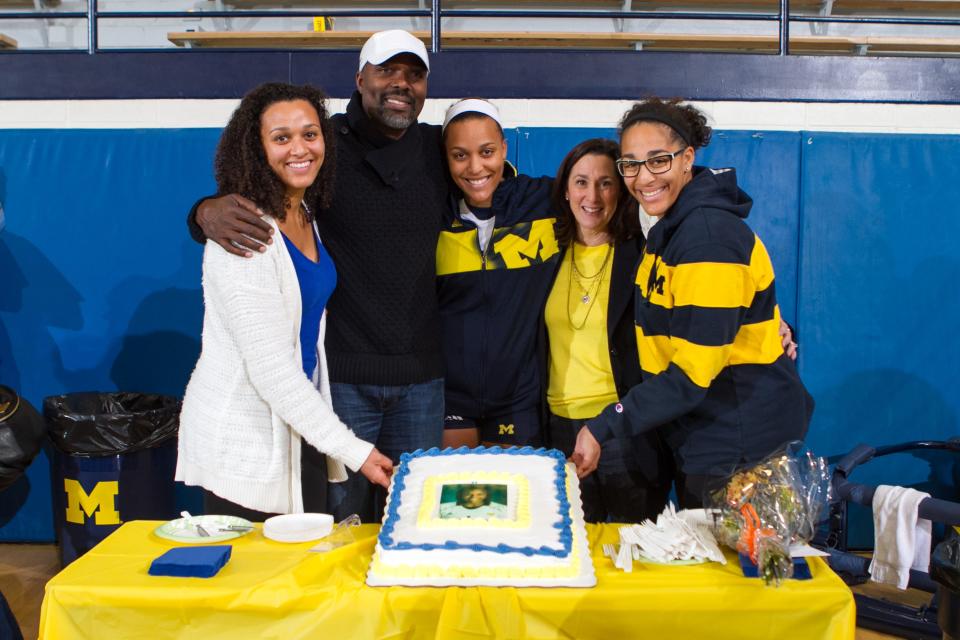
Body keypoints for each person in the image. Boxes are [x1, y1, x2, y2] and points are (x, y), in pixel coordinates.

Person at [186, 31, 447, 522]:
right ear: (360, 79)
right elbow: (269, 368)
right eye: (387, 70)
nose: (400, 83)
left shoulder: (310, 202)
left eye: (414, 74)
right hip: (285, 412)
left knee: (397, 528)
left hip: (345, 398)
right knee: (305, 550)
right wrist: (203, 211)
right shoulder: (251, 226)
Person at [572, 98, 814, 508]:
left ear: (687, 158)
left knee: (737, 568)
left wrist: (604, 425)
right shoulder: (674, 228)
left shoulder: (706, 236)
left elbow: (691, 375)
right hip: (706, 429)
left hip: (736, 437)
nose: (643, 177)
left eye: (658, 160)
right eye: (630, 164)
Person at [176, 82, 393, 519]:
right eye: (281, 137)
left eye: (310, 134)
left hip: (296, 424)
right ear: (256, 149)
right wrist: (356, 451)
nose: (300, 148)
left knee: (296, 573)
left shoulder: (305, 211)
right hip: (245, 441)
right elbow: (271, 368)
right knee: (253, 582)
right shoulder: (242, 231)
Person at [543, 138, 671, 522]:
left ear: (622, 190)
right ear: (565, 190)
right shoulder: (544, 253)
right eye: (581, 182)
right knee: (572, 551)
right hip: (556, 429)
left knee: (631, 554)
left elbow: (699, 301)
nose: (593, 196)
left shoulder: (645, 253)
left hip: (623, 429)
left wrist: (778, 324)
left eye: (605, 183)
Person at [436, 99, 559, 449]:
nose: (475, 167)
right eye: (460, 155)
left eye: (487, 151)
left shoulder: (545, 202)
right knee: (457, 499)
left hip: (518, 398)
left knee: (516, 497)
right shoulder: (434, 215)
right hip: (451, 398)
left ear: (504, 148)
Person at [438, 484, 507, 519]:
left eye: (479, 494)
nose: (474, 497)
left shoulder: (502, 509)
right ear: (461, 494)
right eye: (468, 494)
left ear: (486, 495)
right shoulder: (443, 508)